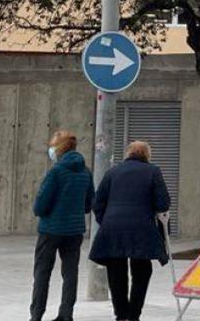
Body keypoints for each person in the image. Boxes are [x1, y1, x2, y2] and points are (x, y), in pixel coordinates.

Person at [88, 141, 171, 321]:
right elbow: (163, 203)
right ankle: (134, 314)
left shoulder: (112, 172)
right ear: (147, 155)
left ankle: (120, 313)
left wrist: (106, 221)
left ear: (128, 154)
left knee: (116, 270)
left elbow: (97, 203)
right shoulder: (153, 171)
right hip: (141, 229)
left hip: (113, 229)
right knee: (142, 270)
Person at [30, 130, 94, 321]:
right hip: (74, 230)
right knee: (70, 273)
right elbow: (89, 203)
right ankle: (66, 314)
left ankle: (36, 314)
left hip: (51, 229)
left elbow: (40, 205)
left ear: (59, 148)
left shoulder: (56, 172)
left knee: (42, 273)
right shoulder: (85, 171)